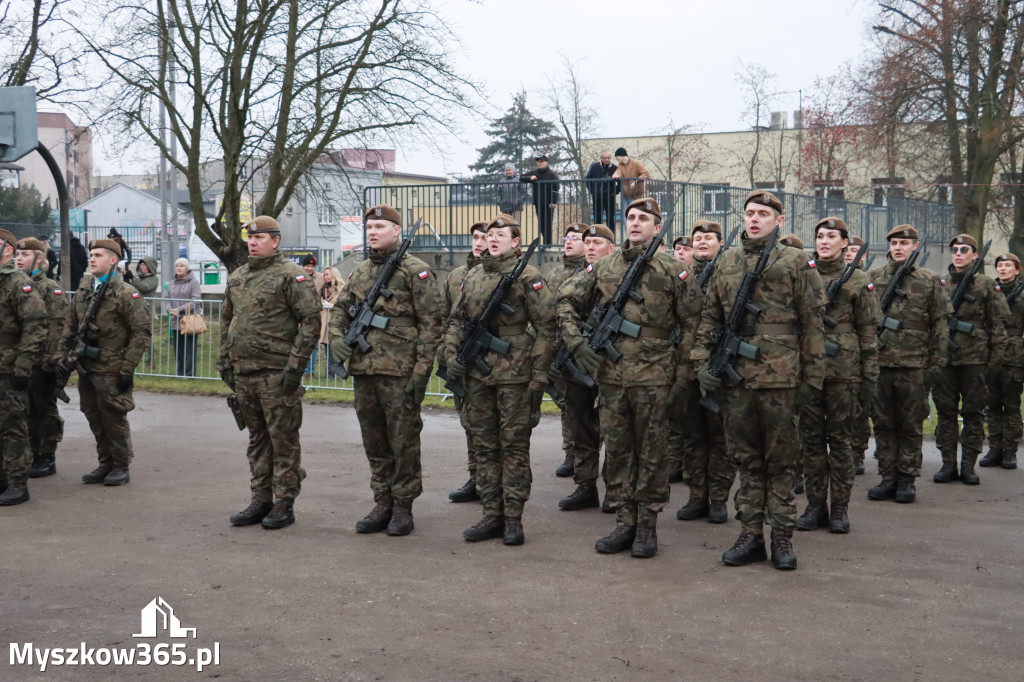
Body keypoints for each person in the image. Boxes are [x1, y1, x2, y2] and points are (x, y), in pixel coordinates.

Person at [559, 197, 702, 558]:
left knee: (652, 452)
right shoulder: (605, 266)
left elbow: (694, 324)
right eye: (630, 218)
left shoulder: (673, 269)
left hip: (655, 375)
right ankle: (624, 521)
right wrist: (576, 343)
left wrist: (682, 375)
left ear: (657, 225)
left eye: (644, 218)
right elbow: (566, 302)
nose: (635, 223)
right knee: (619, 449)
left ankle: (647, 526)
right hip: (612, 375)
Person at [692, 191, 826, 570]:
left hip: (781, 377)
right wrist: (703, 362)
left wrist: (812, 378)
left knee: (781, 462)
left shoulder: (797, 261)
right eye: (750, 213)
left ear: (778, 220)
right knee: (746, 459)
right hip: (737, 379)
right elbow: (710, 318)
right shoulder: (728, 260)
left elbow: (813, 324)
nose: (754, 219)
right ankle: (750, 534)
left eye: (763, 214)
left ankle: (781, 537)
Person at [443, 213, 556, 545]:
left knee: (514, 448)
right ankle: (491, 514)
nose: (492, 238)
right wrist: (451, 356)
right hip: (477, 374)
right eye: (489, 234)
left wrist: (538, 376)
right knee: (485, 447)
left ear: (515, 241)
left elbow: (548, 329)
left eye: (500, 234)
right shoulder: (474, 275)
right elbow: (456, 320)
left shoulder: (529, 276)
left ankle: (513, 519)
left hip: (514, 374)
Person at [330, 204, 443, 537]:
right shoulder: (361, 270)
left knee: (403, 441)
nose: (373, 232)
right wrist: (336, 337)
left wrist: (421, 373)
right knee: (374, 441)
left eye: (380, 226)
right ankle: (382, 501)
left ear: (397, 231)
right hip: (365, 371)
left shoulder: (416, 271)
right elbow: (341, 310)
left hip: (400, 371)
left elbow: (431, 325)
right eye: (369, 227)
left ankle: (403, 506)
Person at [218, 215, 321, 530]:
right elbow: (227, 320)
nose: (252, 242)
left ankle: (283, 503)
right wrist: (224, 361)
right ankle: (260, 500)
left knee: (283, 441)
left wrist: (295, 368)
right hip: (245, 374)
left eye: (259, 237)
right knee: (257, 440)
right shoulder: (238, 276)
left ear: (275, 241)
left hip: (276, 374)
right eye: (249, 238)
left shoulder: (291, 276)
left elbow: (311, 323)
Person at [795, 218, 880, 534]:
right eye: (819, 236)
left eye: (831, 236)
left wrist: (869, 376)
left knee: (841, 441)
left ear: (845, 243)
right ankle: (815, 506)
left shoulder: (858, 280)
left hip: (844, 372)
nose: (824, 241)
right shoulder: (803, 276)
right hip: (809, 371)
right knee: (812, 442)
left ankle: (840, 509)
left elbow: (868, 334)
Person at [866, 225, 951, 504]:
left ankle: (906, 479)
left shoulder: (930, 281)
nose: (898, 247)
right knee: (883, 424)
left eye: (904, 243)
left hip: (914, 366)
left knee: (911, 425)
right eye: (894, 243)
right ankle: (887, 477)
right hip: (881, 364)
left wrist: (935, 365)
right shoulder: (873, 278)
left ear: (915, 246)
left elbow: (940, 327)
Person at [57, 238, 150, 488]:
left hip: (112, 367)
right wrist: (62, 359)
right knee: (92, 414)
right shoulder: (85, 288)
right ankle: (105, 462)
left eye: (98, 255)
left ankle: (121, 465)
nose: (92, 258)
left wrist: (128, 368)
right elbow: (70, 325)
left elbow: (141, 333)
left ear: (113, 260)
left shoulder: (125, 292)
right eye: (91, 254)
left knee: (113, 416)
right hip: (86, 365)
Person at [931, 234, 1008, 486]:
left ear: (975, 255)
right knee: (945, 414)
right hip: (945, 360)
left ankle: (968, 466)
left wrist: (994, 364)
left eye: (964, 249)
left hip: (975, 360)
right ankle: (948, 464)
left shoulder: (985, 285)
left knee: (973, 414)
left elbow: (998, 328)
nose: (958, 253)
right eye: (954, 249)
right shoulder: (941, 284)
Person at [555, 223, 616, 512]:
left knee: (614, 428)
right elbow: (561, 310)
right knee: (581, 427)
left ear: (611, 248)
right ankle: (586, 485)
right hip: (577, 362)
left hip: (611, 364)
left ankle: (614, 489)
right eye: (587, 242)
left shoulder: (621, 276)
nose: (590, 247)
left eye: (597, 243)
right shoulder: (574, 280)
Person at [675, 219, 732, 524]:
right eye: (698, 237)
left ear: (720, 243)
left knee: (720, 435)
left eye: (709, 237)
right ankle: (697, 495)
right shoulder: (678, 274)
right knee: (692, 435)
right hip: (684, 365)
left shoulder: (730, 273)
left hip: (717, 363)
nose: (702, 241)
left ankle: (719, 499)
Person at [442, 221, 489, 503]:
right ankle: (475, 477)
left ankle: (490, 482)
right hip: (460, 358)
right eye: (475, 237)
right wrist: (445, 353)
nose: (479, 241)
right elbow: (445, 317)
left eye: (485, 237)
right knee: (468, 423)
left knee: (488, 426)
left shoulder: (505, 274)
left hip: (489, 360)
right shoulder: (456, 275)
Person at [14, 238, 69, 480]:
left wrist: (52, 360)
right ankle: (32, 452)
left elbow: (58, 326)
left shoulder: (48, 287)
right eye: (17, 254)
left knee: (44, 408)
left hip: (42, 360)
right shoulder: (17, 284)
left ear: (38, 258)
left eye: (24, 255)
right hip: (22, 359)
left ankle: (47, 455)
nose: (19, 258)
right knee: (25, 410)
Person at [0, 229, 47, 506]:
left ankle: (18, 484)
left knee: (13, 427)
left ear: (7, 250)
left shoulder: (18, 283)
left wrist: (23, 366)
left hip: (9, 367)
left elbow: (36, 326)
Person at [547, 222, 589, 480]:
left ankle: (588, 456)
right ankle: (571, 454)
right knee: (566, 405)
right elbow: (545, 314)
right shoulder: (553, 275)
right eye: (567, 237)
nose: (569, 241)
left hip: (586, 346)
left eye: (575, 238)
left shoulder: (593, 271)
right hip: (560, 346)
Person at [982, 253, 1024, 470]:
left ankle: (1010, 451)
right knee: (992, 406)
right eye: (1000, 265)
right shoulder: (989, 292)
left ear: (1017, 270)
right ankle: (994, 448)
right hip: (990, 356)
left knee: (1012, 406)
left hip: (1014, 357)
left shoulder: (1022, 295)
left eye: (1008, 266)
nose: (1003, 269)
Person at [846, 235, 872, 474]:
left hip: (853, 355)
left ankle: (857, 452)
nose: (849, 254)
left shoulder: (865, 280)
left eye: (855, 251)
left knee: (858, 411)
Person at [165, 258, 203, 377]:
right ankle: (180, 373)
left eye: (182, 266)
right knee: (178, 349)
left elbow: (196, 300)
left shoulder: (193, 282)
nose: (179, 268)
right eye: (177, 266)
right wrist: (170, 310)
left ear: (187, 268)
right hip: (175, 321)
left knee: (189, 349)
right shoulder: (171, 283)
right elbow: (166, 299)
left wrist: (179, 309)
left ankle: (189, 374)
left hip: (189, 320)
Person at [520, 155, 559, 243]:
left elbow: (556, 188)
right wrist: (530, 178)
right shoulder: (534, 172)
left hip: (549, 203)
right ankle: (545, 243)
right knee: (541, 224)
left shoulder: (552, 174)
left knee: (548, 224)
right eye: (538, 161)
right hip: (538, 202)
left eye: (541, 161)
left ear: (546, 162)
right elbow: (521, 177)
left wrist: (554, 202)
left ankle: (547, 244)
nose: (539, 163)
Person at [610, 148, 651, 222]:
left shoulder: (636, 163)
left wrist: (636, 181)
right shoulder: (620, 165)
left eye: (617, 157)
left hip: (635, 195)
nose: (616, 159)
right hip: (625, 195)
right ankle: (628, 233)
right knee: (625, 218)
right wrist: (615, 175)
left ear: (621, 155)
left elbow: (646, 174)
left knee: (635, 216)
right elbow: (618, 171)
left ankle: (635, 232)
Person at [318, 265, 343, 378]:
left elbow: (344, 304)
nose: (325, 277)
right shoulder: (323, 289)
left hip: (336, 322)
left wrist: (331, 305)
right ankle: (329, 373)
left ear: (334, 275)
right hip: (325, 322)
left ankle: (332, 374)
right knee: (327, 347)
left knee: (334, 348)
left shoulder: (341, 288)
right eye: (324, 274)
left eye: (327, 274)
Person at [133, 257, 159, 365]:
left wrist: (133, 280)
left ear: (150, 267)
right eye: (141, 265)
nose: (142, 267)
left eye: (144, 265)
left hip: (146, 310)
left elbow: (144, 287)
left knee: (147, 335)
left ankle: (151, 359)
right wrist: (127, 278)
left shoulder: (153, 279)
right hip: (135, 309)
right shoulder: (138, 278)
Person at [585, 151, 618, 230]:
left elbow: (620, 182)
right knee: (597, 218)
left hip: (610, 196)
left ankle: (611, 237)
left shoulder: (614, 168)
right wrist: (592, 190)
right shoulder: (594, 167)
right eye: (605, 158)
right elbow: (588, 179)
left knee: (610, 218)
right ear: (601, 158)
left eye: (609, 158)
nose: (607, 160)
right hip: (597, 196)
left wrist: (615, 192)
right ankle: (598, 236)